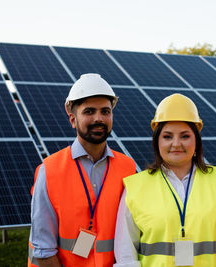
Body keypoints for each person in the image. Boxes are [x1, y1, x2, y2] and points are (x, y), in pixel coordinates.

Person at [114, 93, 216, 267]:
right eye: (167, 136)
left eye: (185, 136)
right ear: (157, 141)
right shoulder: (135, 187)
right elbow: (125, 256)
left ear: (196, 140)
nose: (176, 144)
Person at [28, 73, 136, 267]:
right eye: (89, 112)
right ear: (72, 119)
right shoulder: (49, 171)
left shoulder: (128, 168)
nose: (99, 119)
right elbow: (43, 251)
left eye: (105, 111)